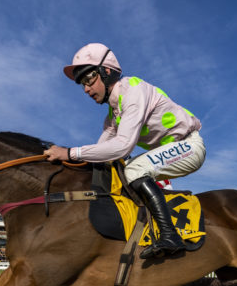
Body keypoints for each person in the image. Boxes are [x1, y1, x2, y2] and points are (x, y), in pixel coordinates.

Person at [44, 43, 206, 259]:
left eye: (89, 79)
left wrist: (70, 153)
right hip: (169, 150)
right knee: (117, 170)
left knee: (133, 169)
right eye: (82, 83)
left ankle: (170, 235)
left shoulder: (133, 90)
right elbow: (103, 150)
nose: (86, 89)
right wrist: (66, 162)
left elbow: (122, 146)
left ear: (106, 71)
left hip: (189, 146)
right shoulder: (113, 116)